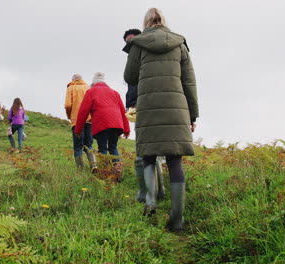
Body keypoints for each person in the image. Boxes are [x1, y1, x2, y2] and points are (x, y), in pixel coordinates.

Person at [124, 8, 199, 232]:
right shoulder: (179, 43)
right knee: (175, 160)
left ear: (146, 22)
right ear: (164, 22)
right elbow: (189, 82)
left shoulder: (138, 43)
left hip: (148, 106)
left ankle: (150, 200)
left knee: (148, 155)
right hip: (176, 108)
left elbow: (129, 76)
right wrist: (192, 114)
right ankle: (177, 217)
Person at [123, 28, 166, 202]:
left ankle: (147, 193)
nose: (130, 43)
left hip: (149, 104)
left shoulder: (147, 55)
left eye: (132, 40)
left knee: (145, 148)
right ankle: (156, 191)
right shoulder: (134, 56)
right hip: (140, 105)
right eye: (127, 42)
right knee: (148, 148)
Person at [75, 72, 130, 173]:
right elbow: (123, 111)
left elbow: (83, 112)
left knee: (103, 148)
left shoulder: (91, 92)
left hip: (102, 124)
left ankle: (105, 172)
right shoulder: (114, 92)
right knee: (113, 147)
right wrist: (126, 129)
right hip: (116, 124)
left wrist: (78, 129)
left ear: (94, 83)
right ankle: (117, 170)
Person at [64, 74, 97, 172]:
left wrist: (70, 116)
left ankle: (80, 169)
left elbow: (67, 105)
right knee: (89, 145)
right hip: (89, 120)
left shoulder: (71, 88)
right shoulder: (88, 87)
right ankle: (94, 165)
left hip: (77, 120)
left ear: (73, 80)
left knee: (78, 146)